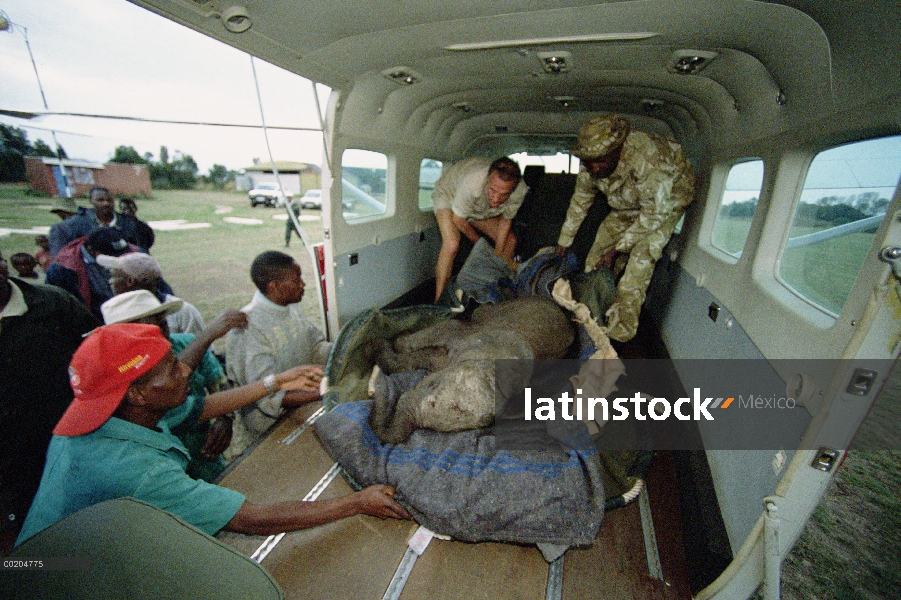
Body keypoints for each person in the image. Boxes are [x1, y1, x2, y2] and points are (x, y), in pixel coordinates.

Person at [15, 323, 409, 547]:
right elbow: (250, 520)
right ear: (135, 392)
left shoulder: (116, 413)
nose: (186, 371)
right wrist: (357, 502)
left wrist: (275, 381)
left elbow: (202, 407)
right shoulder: (135, 471)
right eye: (171, 368)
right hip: (44, 568)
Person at [555, 114, 696, 342]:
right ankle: (591, 322)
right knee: (596, 259)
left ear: (617, 151)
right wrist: (564, 240)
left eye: (600, 160)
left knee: (637, 268)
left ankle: (619, 337)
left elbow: (654, 213)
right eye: (589, 160)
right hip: (628, 204)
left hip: (665, 204)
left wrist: (618, 250)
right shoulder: (590, 161)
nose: (594, 167)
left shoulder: (647, 159)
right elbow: (581, 200)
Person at [0, 249, 98, 552]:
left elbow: (96, 361)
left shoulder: (54, 303)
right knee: (35, 558)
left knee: (89, 542)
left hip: (75, 449)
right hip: (11, 474)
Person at [100, 290, 247, 482]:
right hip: (159, 465)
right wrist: (206, 336)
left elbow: (218, 382)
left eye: (162, 322)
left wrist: (225, 418)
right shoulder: (120, 371)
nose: (161, 330)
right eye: (148, 327)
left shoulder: (184, 343)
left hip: (203, 450)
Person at [225, 251, 331, 438]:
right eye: (297, 280)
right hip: (272, 426)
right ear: (274, 286)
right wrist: (327, 390)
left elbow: (315, 345)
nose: (303, 284)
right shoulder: (247, 328)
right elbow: (267, 395)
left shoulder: (289, 306)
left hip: (305, 401)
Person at [431, 156, 528, 303]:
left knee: (510, 240)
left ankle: (492, 289)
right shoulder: (473, 182)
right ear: (488, 180)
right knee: (451, 244)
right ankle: (439, 302)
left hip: (477, 207)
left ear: (512, 189)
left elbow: (505, 221)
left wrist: (497, 253)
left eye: (503, 195)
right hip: (449, 196)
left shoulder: (520, 190)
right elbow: (459, 219)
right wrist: (480, 245)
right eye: (493, 190)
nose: (496, 199)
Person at [99, 251, 205, 336]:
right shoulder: (114, 312)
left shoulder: (183, 312)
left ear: (130, 281)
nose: (110, 281)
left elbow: (204, 353)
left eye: (113, 276)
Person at [45, 228, 136, 320]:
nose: (117, 258)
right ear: (91, 250)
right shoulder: (63, 269)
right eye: (110, 255)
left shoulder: (132, 252)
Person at [48, 186, 145, 257]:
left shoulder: (127, 223)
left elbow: (139, 250)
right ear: (91, 201)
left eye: (109, 200)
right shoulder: (74, 225)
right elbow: (61, 258)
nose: (106, 203)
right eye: (100, 200)